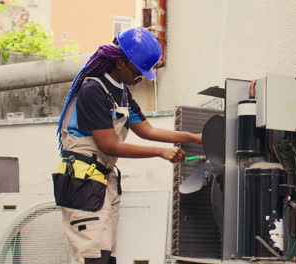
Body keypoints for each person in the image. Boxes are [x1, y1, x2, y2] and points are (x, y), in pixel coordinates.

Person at [53, 27, 201, 264]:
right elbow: (109, 145)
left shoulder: (122, 93)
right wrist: (161, 152)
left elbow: (147, 131)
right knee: (91, 258)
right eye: (138, 71)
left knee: (106, 257)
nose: (141, 77)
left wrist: (194, 137)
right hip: (83, 183)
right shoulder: (93, 90)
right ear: (120, 63)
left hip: (104, 182)